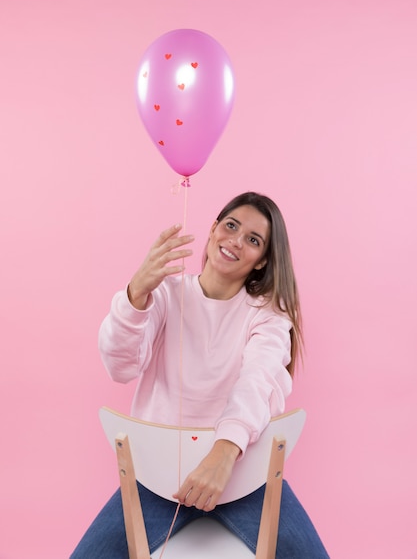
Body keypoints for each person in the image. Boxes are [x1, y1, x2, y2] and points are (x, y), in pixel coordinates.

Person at [70, 191, 329, 558]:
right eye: (231, 226)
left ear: (261, 261)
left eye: (253, 240)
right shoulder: (164, 294)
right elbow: (120, 367)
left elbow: (258, 381)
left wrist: (224, 454)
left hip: (243, 477)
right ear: (212, 230)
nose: (235, 241)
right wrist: (135, 294)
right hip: (159, 480)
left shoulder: (268, 316)